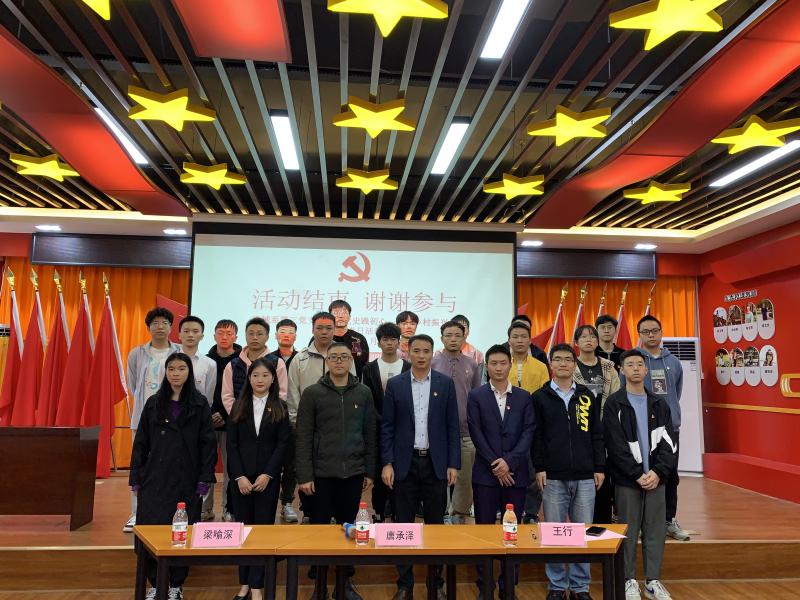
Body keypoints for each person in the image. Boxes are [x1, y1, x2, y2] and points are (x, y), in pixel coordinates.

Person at [129, 352, 217, 600]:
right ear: (165, 372)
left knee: (182, 533)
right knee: (151, 531)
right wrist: (136, 476)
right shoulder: (154, 403)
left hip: (187, 479)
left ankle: (176, 585)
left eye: (181, 369)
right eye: (171, 369)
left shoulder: (199, 404)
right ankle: (155, 583)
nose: (176, 374)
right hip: (155, 479)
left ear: (189, 372)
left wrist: (205, 478)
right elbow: (141, 442)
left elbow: (208, 444)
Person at [381, 334, 460, 600]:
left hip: (436, 464)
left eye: (426, 351)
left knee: (435, 525)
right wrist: (387, 463)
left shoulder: (445, 384)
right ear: (408, 352)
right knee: (403, 525)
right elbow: (387, 427)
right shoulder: (396, 384)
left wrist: (453, 463)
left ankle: (435, 582)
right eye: (417, 351)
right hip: (405, 463)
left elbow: (452, 426)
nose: (422, 356)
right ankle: (405, 585)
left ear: (432, 353)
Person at [296, 342, 376, 600]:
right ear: (327, 361)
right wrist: (305, 475)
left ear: (351, 361)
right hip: (321, 475)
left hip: (353, 472)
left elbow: (370, 433)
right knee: (319, 528)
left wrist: (370, 471)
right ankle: (319, 585)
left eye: (344, 356)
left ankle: (344, 584)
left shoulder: (363, 392)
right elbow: (303, 436)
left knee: (349, 528)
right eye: (334, 357)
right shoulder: (312, 393)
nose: (339, 361)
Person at [533, 343, 604, 600]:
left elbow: (597, 434)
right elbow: (537, 437)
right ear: (550, 364)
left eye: (567, 360)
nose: (563, 364)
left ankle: (579, 586)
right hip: (553, 475)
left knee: (582, 531)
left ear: (575, 365)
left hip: (585, 475)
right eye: (558, 359)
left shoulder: (586, 396)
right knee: (554, 532)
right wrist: (540, 467)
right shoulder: (539, 397)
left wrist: (599, 467)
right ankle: (556, 585)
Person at [604, 350, 677, 600]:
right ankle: (629, 580)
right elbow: (615, 446)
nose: (635, 368)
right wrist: (637, 474)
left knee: (655, 531)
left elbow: (670, 443)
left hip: (656, 480)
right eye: (630, 364)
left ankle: (653, 581)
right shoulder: (614, 404)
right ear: (621, 370)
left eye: (639, 364)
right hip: (628, 481)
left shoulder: (659, 404)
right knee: (628, 531)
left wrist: (657, 472)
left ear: (646, 370)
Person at [467, 345, 534, 599]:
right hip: (486, 475)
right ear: (487, 367)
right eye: (493, 363)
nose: (498, 368)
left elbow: (528, 431)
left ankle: (509, 587)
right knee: (484, 532)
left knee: (512, 533)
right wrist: (497, 464)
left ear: (510, 365)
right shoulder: (477, 396)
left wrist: (509, 462)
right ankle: (485, 587)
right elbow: (476, 432)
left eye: (502, 363)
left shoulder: (524, 397)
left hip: (515, 475)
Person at [227, 358, 291, 600]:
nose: (260, 380)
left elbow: (283, 444)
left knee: (262, 530)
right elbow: (231, 445)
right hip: (241, 479)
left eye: (265, 375)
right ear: (249, 378)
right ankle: (243, 583)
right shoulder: (238, 406)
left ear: (273, 379)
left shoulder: (280, 407)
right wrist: (239, 476)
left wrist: (268, 474)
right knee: (242, 530)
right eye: (255, 375)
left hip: (267, 479)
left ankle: (256, 585)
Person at [287, 311, 356, 523]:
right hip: (309, 432)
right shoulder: (299, 359)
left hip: (340, 434)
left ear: (335, 330)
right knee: (311, 486)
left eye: (329, 328)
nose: (324, 332)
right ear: (312, 329)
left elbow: (353, 389)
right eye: (320, 328)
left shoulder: (345, 355)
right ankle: (310, 515)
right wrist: (301, 426)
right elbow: (293, 396)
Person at [124, 307, 181, 533]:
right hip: (144, 418)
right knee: (140, 465)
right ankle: (136, 513)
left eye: (164, 323)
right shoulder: (137, 353)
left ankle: (168, 511)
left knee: (171, 466)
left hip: (173, 420)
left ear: (171, 327)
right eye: (155, 323)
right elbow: (134, 385)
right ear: (148, 327)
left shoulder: (179, 351)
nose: (160, 327)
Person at [635, 315, 686, 542]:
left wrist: (669, 413)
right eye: (646, 332)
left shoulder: (673, 361)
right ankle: (640, 522)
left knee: (670, 475)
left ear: (661, 332)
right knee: (641, 475)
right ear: (640, 335)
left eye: (655, 330)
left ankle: (668, 520)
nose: (651, 335)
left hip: (669, 427)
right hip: (642, 427)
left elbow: (676, 391)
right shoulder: (635, 361)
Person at [431, 321, 482, 524]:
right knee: (438, 476)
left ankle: (459, 514)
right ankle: (441, 513)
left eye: (457, 335)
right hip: (437, 432)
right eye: (448, 335)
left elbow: (476, 397)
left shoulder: (472, 364)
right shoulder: (432, 363)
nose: (453, 339)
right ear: (441, 338)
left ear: (464, 337)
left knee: (464, 478)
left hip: (465, 431)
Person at [362, 322, 411, 522]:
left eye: (393, 339)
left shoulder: (408, 367)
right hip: (377, 429)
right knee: (379, 473)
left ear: (399, 342)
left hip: (404, 429)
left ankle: (399, 513)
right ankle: (380, 513)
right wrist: (381, 420)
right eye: (385, 339)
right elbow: (367, 399)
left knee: (402, 474)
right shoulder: (369, 368)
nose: (389, 343)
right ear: (379, 342)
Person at [573, 324, 620, 525]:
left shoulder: (609, 367)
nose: (589, 340)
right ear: (576, 342)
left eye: (592, 336)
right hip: (580, 431)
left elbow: (616, 398)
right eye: (584, 337)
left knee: (604, 478)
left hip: (607, 430)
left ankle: (603, 524)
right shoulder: (571, 366)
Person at [507, 320, 549, 524]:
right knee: (510, 467)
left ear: (530, 340)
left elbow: (544, 396)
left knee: (532, 470)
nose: (519, 340)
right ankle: (509, 510)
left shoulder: (540, 366)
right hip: (507, 425)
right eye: (515, 337)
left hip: (533, 424)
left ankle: (531, 513)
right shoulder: (502, 363)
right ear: (509, 340)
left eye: (523, 337)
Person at [178, 316, 219, 522]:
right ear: (179, 334)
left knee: (199, 462)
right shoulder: (169, 360)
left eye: (195, 331)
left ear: (202, 336)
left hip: (197, 421)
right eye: (186, 331)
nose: (190, 335)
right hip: (172, 421)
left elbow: (209, 396)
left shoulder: (209, 364)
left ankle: (202, 508)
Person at [206, 319, 241, 522]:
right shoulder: (206, 360)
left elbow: (242, 392)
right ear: (214, 336)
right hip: (207, 423)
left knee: (231, 469)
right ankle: (205, 508)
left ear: (236, 336)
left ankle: (228, 508)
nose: (224, 337)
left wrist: (225, 414)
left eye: (229, 333)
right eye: (220, 333)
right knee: (206, 466)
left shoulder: (241, 361)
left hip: (232, 423)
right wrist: (210, 413)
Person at [330, 300, 370, 379]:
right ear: (330, 317)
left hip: (355, 383)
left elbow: (365, 365)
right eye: (336, 313)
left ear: (349, 317)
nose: (340, 316)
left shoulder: (359, 338)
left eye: (344, 313)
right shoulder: (321, 338)